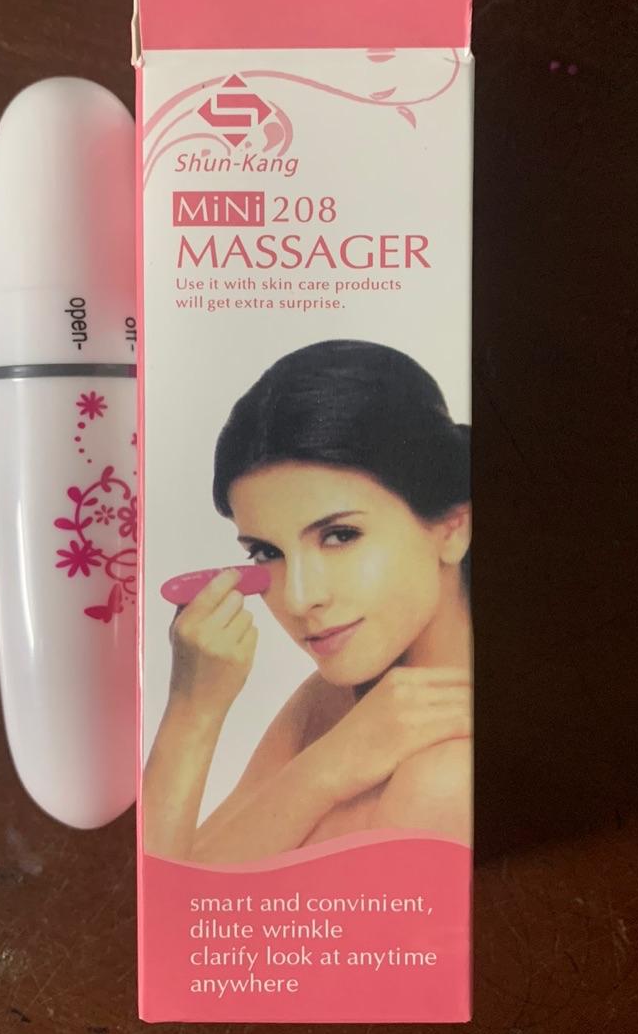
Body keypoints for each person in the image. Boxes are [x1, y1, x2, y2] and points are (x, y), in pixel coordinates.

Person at [142, 339, 472, 864]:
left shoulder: (448, 775)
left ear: (453, 527)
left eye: (340, 535)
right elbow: (181, 871)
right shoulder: (336, 703)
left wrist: (327, 765)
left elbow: (176, 901)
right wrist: (195, 706)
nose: (299, 598)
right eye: (266, 552)